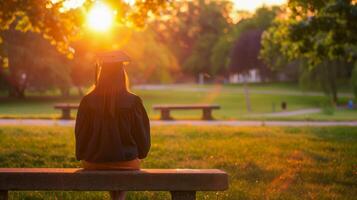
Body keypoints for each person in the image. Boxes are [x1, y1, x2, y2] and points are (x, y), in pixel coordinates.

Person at [75, 51, 150, 200]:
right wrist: (140, 153)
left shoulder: (87, 101)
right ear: (122, 74)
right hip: (127, 162)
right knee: (122, 166)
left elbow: (81, 134)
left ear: (101, 75)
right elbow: (142, 136)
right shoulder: (133, 102)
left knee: (110, 165)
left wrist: (83, 153)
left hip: (94, 162)